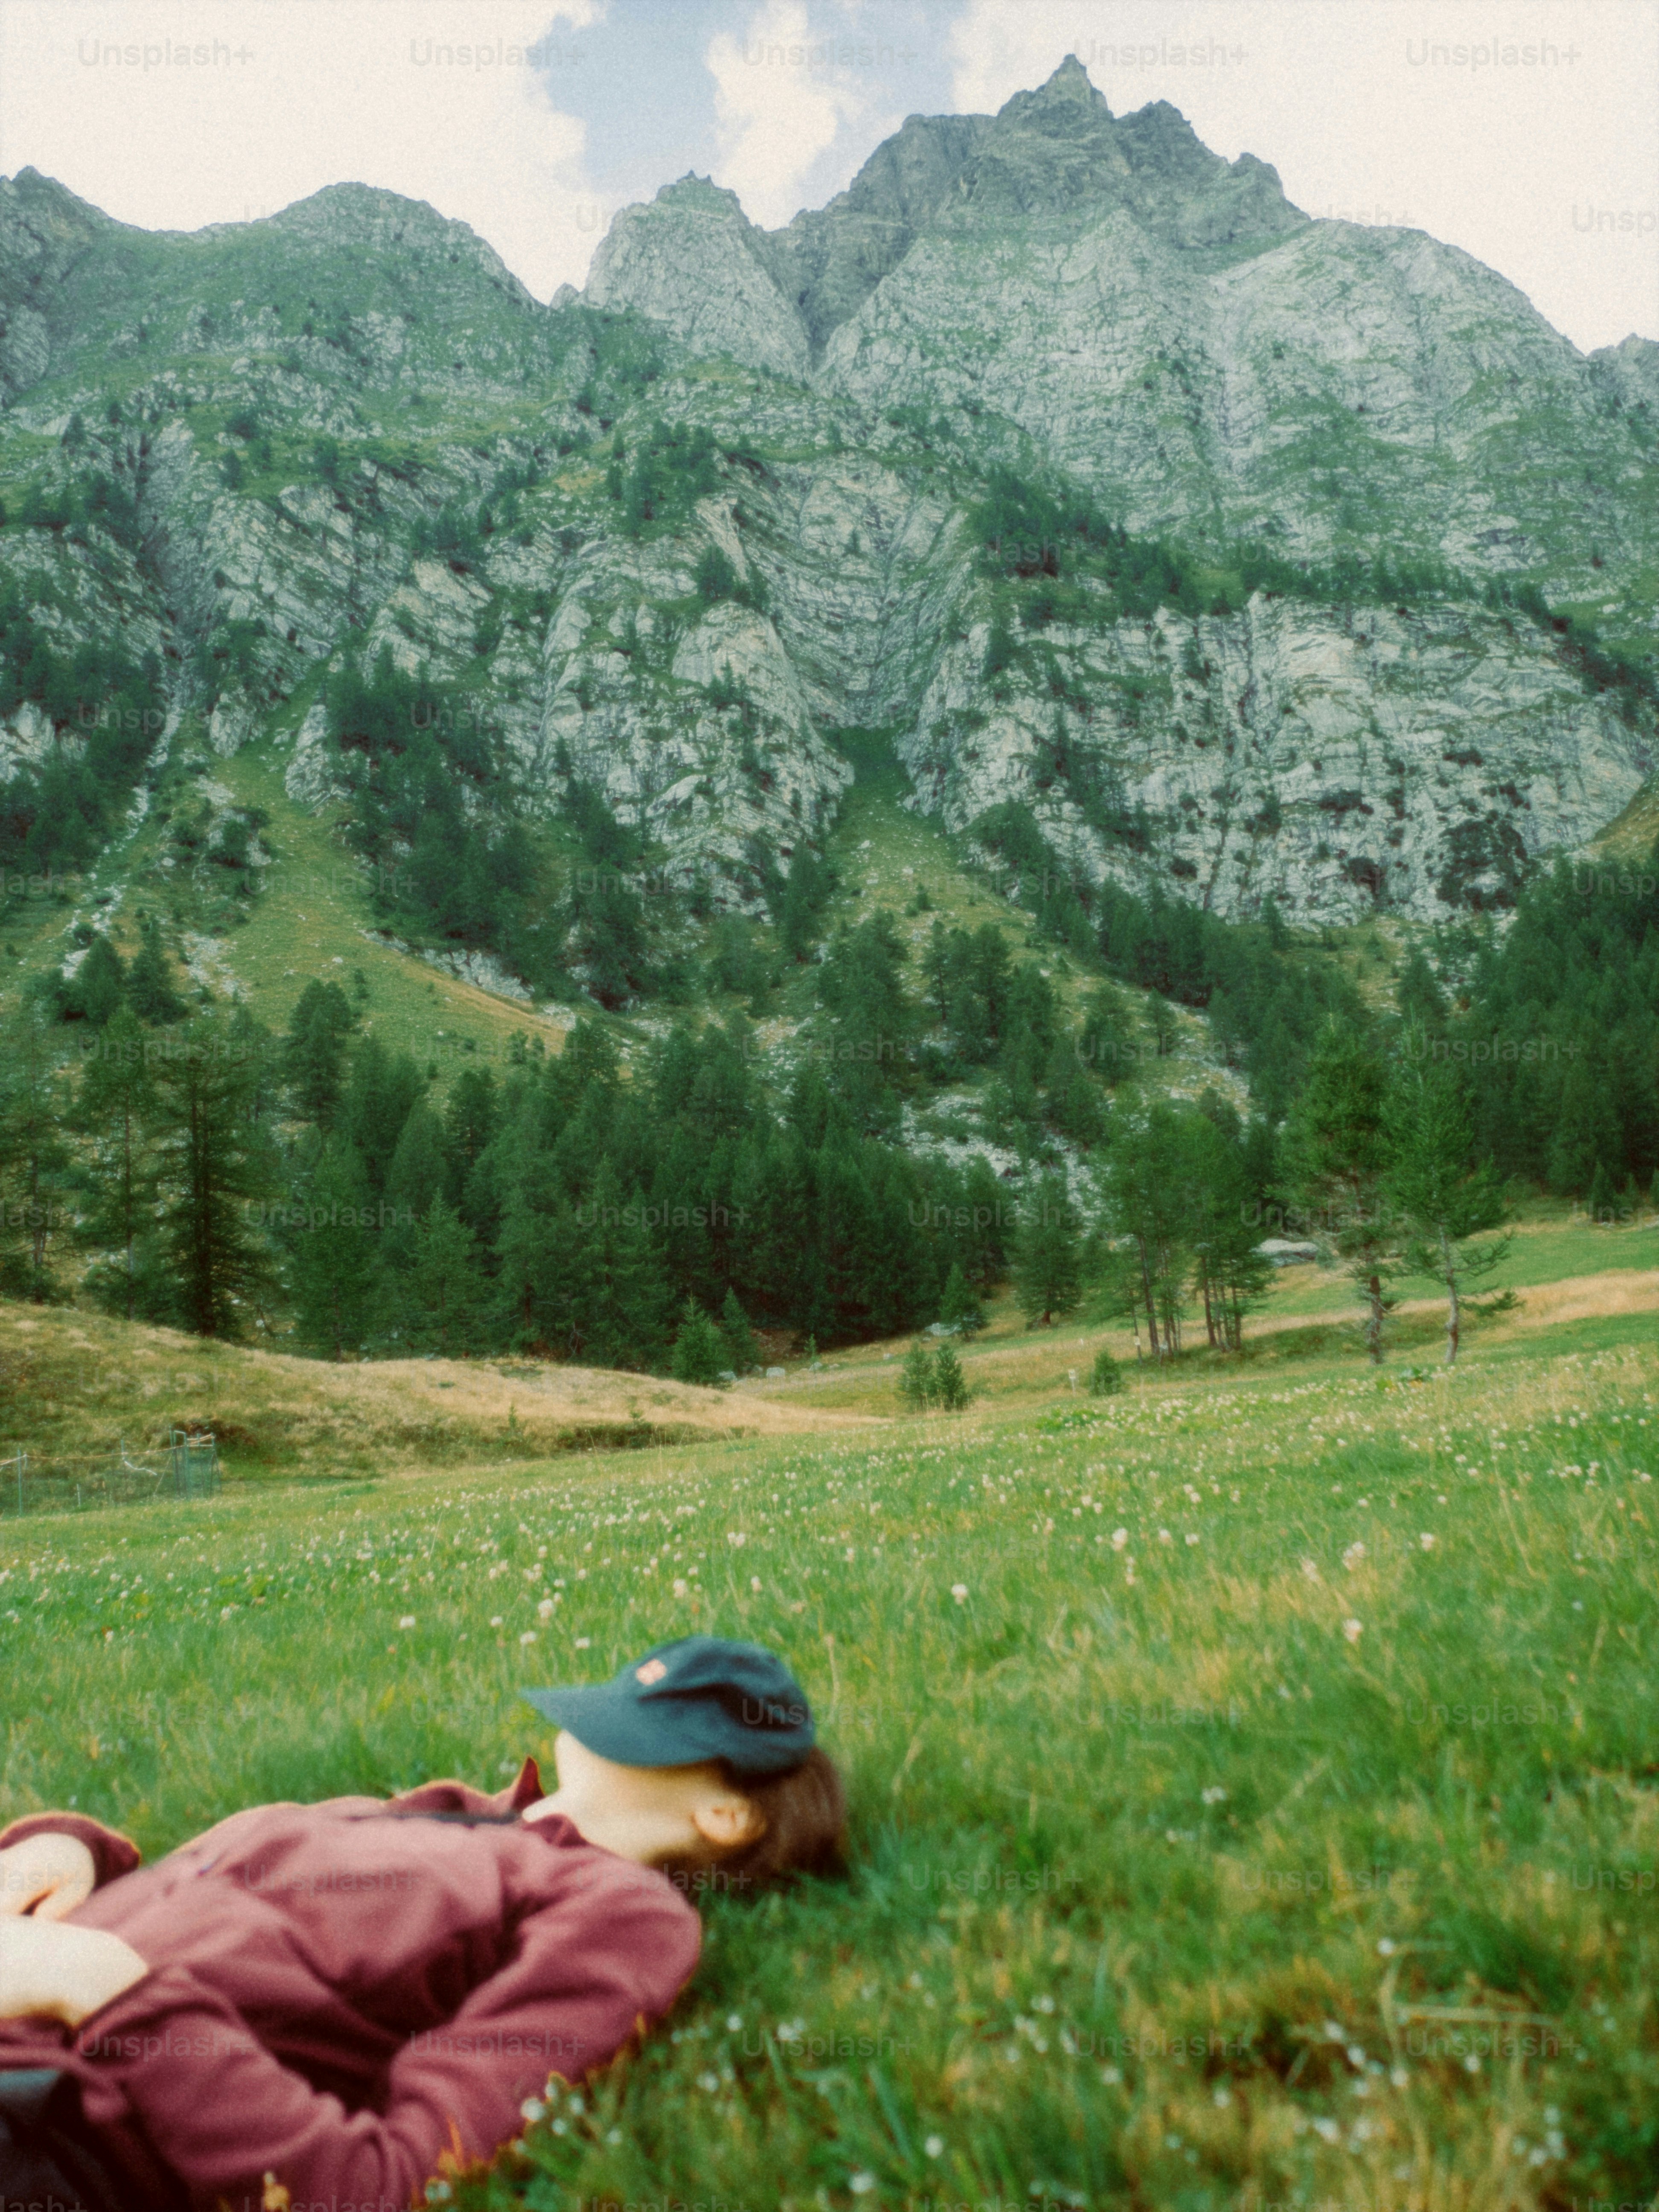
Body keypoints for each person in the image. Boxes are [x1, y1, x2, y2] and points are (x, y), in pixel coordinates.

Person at [0, 1634, 845, 2212]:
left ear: (730, 1817)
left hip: (49, 2133)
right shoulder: (447, 1816)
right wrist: (67, 1847)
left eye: (663, 1725)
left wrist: (98, 1986)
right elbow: (203, 1890)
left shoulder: (622, 1912)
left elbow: (381, 2184)